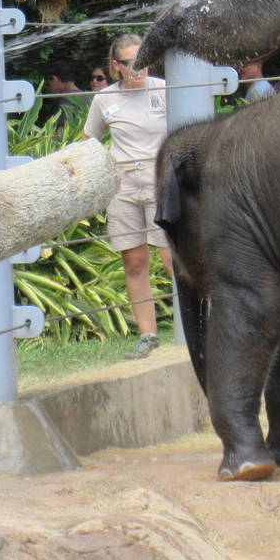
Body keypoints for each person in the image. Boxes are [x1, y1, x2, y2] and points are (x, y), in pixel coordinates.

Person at [83, 34, 174, 359]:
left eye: (143, 61)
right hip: (122, 186)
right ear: (116, 66)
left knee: (171, 258)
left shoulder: (166, 90)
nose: (139, 69)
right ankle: (148, 335)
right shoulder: (104, 100)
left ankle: (197, 325)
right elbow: (87, 142)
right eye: (131, 64)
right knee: (134, 262)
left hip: (160, 179)